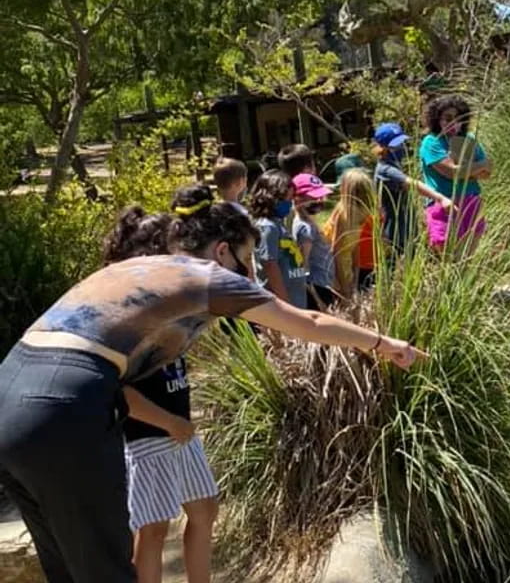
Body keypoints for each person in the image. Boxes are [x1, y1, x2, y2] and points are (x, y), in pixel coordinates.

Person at [0, 184, 423, 583]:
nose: (250, 273)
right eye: (248, 260)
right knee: (105, 568)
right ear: (223, 250)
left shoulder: (135, 267)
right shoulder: (205, 276)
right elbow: (307, 322)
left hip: (10, 390)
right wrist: (383, 344)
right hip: (63, 405)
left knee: (67, 569)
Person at [101, 202, 218, 583]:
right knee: (152, 528)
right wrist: (169, 423)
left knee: (204, 509)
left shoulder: (165, 308)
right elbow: (121, 394)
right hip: (149, 437)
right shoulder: (125, 314)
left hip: (180, 433)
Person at [419, 95, 492, 252]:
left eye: (458, 118)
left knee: (468, 258)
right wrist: (476, 168)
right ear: (437, 119)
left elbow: (487, 172)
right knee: (449, 259)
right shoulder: (431, 142)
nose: (454, 122)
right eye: (448, 118)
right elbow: (451, 172)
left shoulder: (469, 139)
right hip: (445, 204)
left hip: (471, 202)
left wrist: (465, 170)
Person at [372, 122, 454, 254]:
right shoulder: (385, 170)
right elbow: (412, 183)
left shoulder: (394, 165)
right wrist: (440, 198)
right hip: (396, 232)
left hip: (407, 227)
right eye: (396, 145)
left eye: (402, 142)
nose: (401, 147)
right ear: (383, 147)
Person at [251, 171, 306, 307]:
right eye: (287, 199)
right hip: (283, 304)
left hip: (296, 298)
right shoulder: (267, 227)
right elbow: (270, 265)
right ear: (272, 197)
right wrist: (285, 303)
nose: (290, 203)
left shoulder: (278, 224)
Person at [324, 168, 377, 299]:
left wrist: (355, 274)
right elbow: (335, 250)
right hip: (333, 267)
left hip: (348, 264)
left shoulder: (363, 212)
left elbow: (355, 246)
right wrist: (343, 285)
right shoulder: (343, 214)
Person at [292, 173, 337, 312]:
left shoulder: (308, 222)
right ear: (297, 199)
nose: (319, 201)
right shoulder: (305, 228)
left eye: (320, 197)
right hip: (318, 285)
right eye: (312, 198)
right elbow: (303, 263)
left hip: (325, 281)